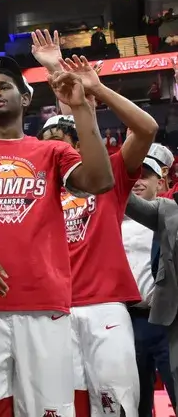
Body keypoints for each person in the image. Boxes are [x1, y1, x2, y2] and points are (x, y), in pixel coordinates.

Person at [0, 54, 115, 417]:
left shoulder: (52, 150)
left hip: (45, 304)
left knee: (48, 410)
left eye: (4, 86)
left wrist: (81, 109)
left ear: (25, 99)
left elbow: (101, 181)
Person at [37, 55, 156, 416]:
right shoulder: (36, 185)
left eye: (62, 138)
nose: (54, 147)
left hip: (104, 305)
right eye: (47, 141)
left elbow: (146, 129)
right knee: (61, 407)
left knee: (116, 405)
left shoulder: (110, 175)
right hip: (52, 309)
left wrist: (96, 90)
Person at [123, 144, 177, 416]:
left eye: (145, 176)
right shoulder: (112, 220)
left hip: (166, 322)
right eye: (133, 177)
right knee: (134, 402)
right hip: (126, 320)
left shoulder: (170, 214)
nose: (137, 183)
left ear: (161, 179)